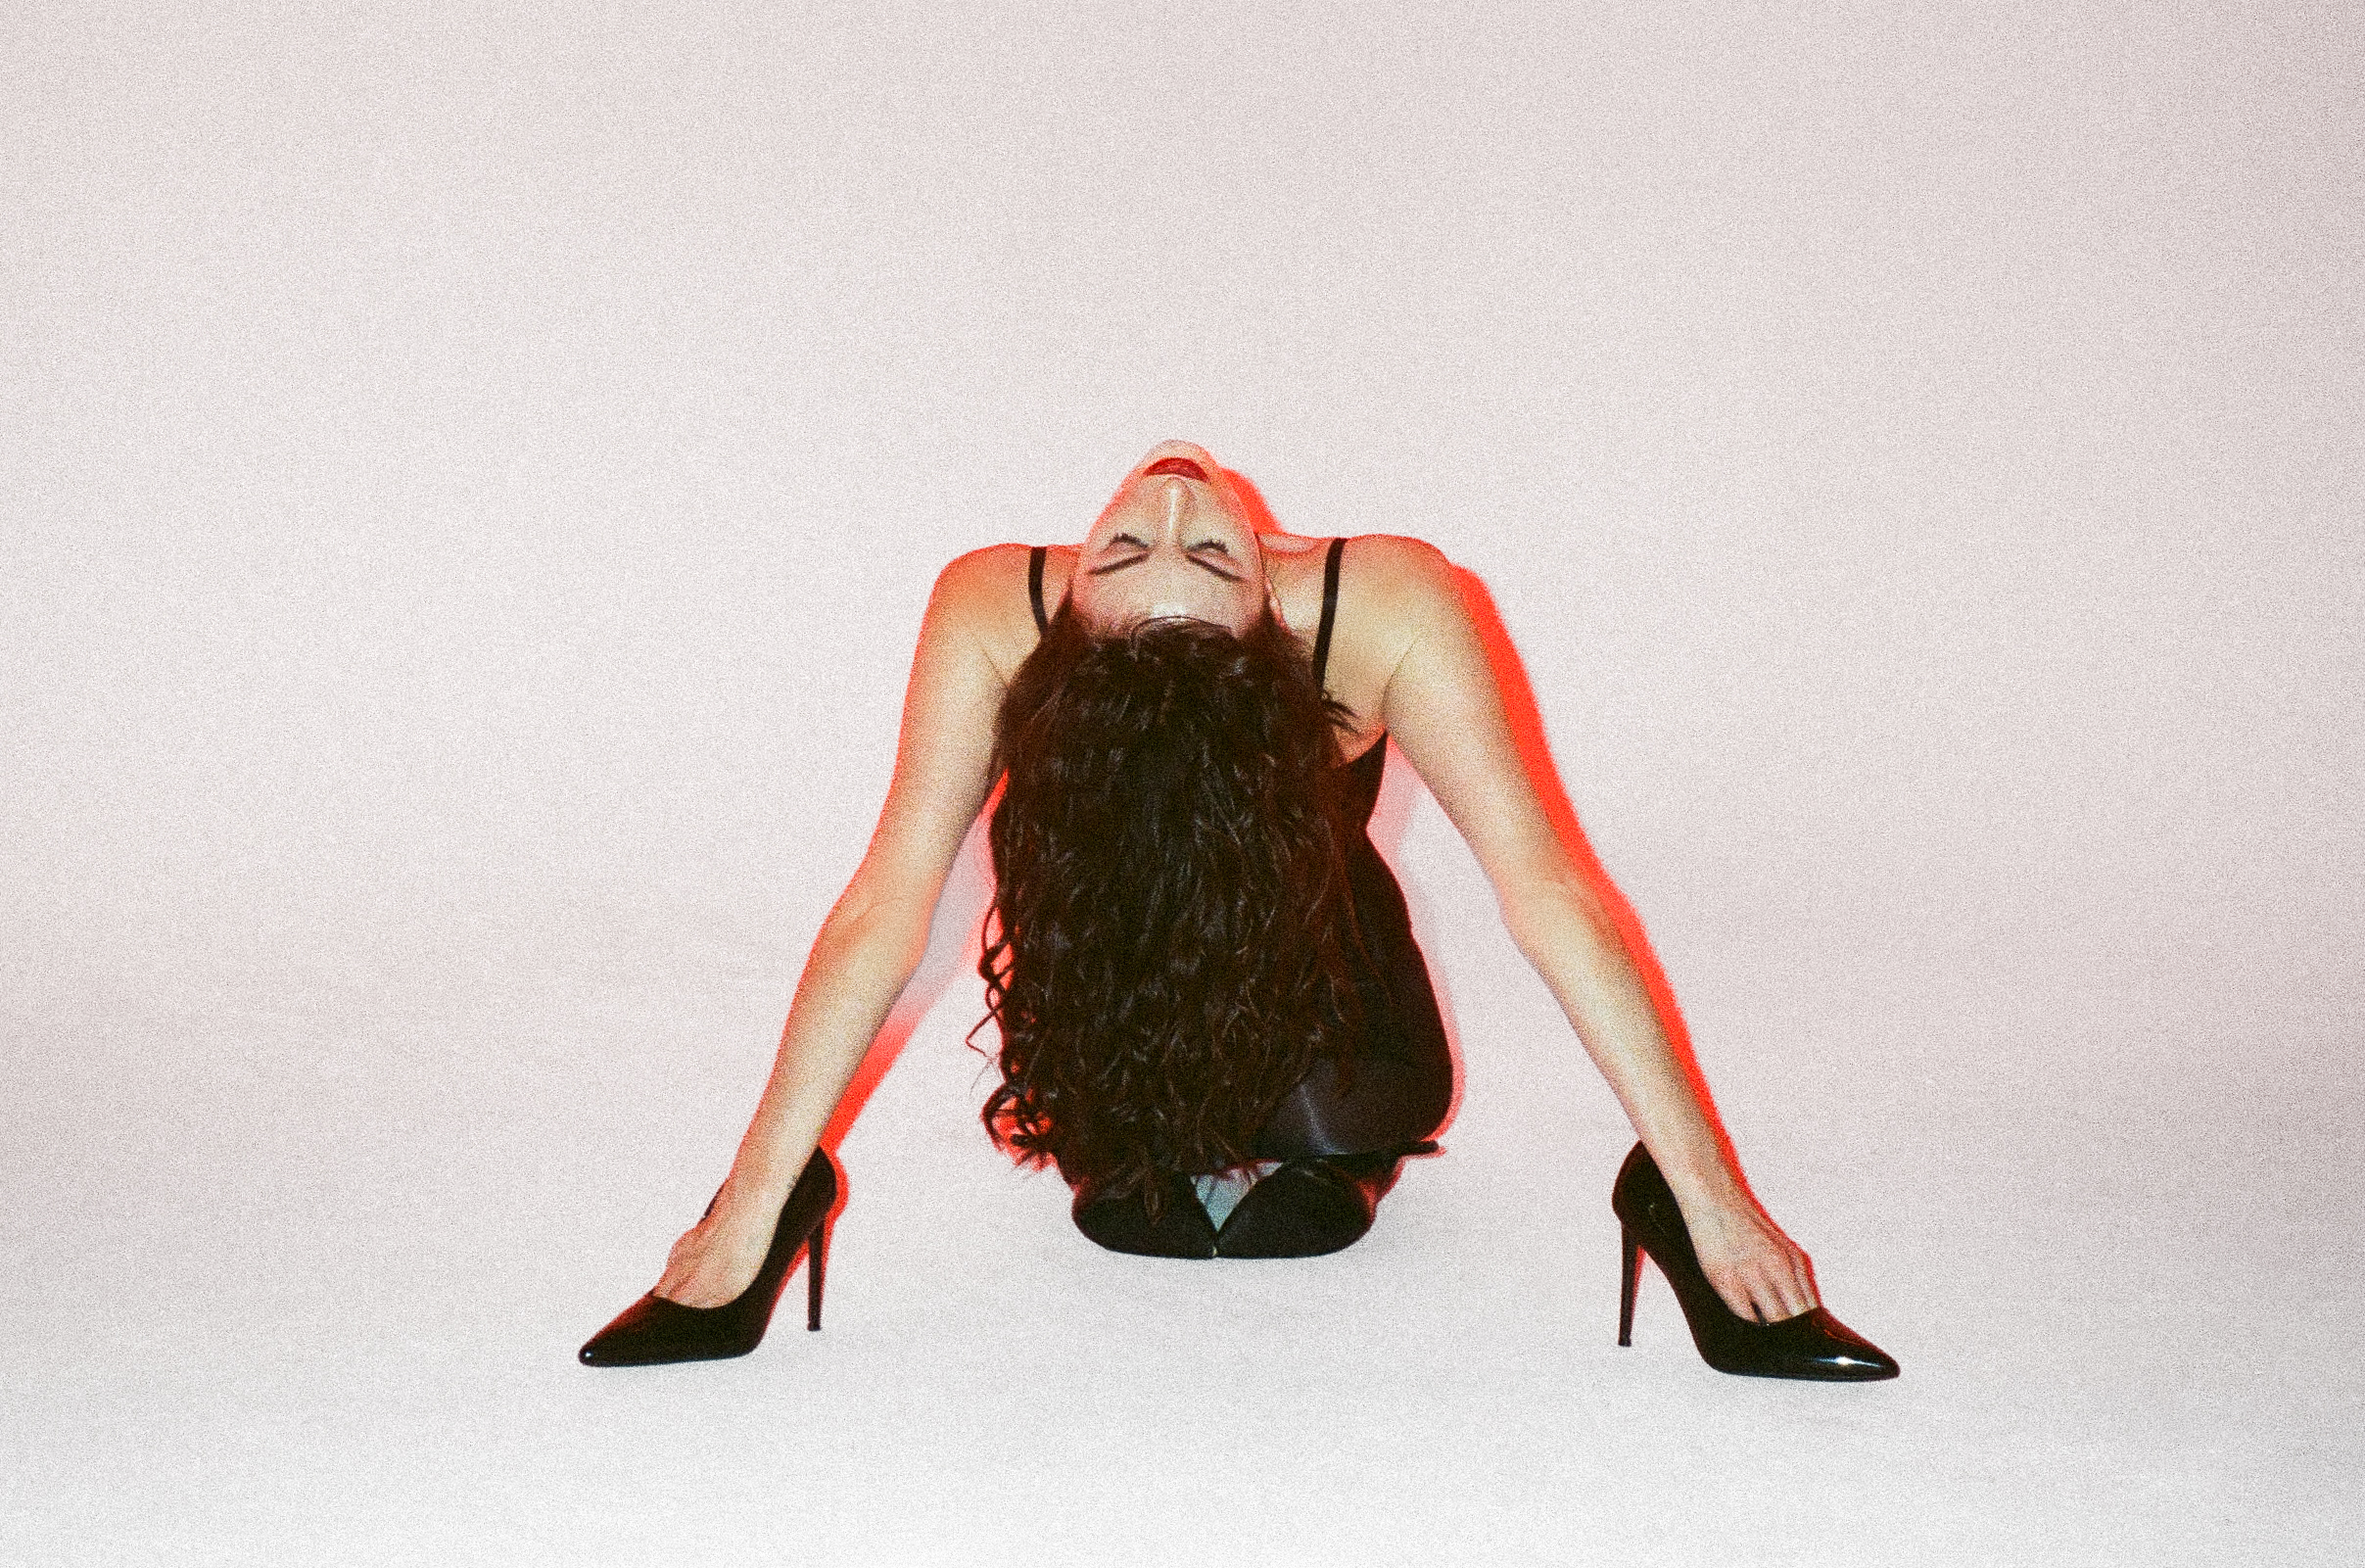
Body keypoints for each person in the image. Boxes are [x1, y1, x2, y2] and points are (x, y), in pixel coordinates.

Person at [579, 441, 1897, 1379]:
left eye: (1210, 549)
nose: (1170, 497)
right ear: (1069, 626)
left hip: (1322, 972)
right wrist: (753, 1203)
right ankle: (1190, 1132)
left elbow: (1549, 891)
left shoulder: (1386, 607)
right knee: (1128, 1196)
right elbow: (885, 903)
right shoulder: (987, 612)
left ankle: (1311, 1150)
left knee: (1336, 1127)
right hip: (1115, 996)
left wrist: (1707, 1196)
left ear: (1275, 613)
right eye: (1142, 546)